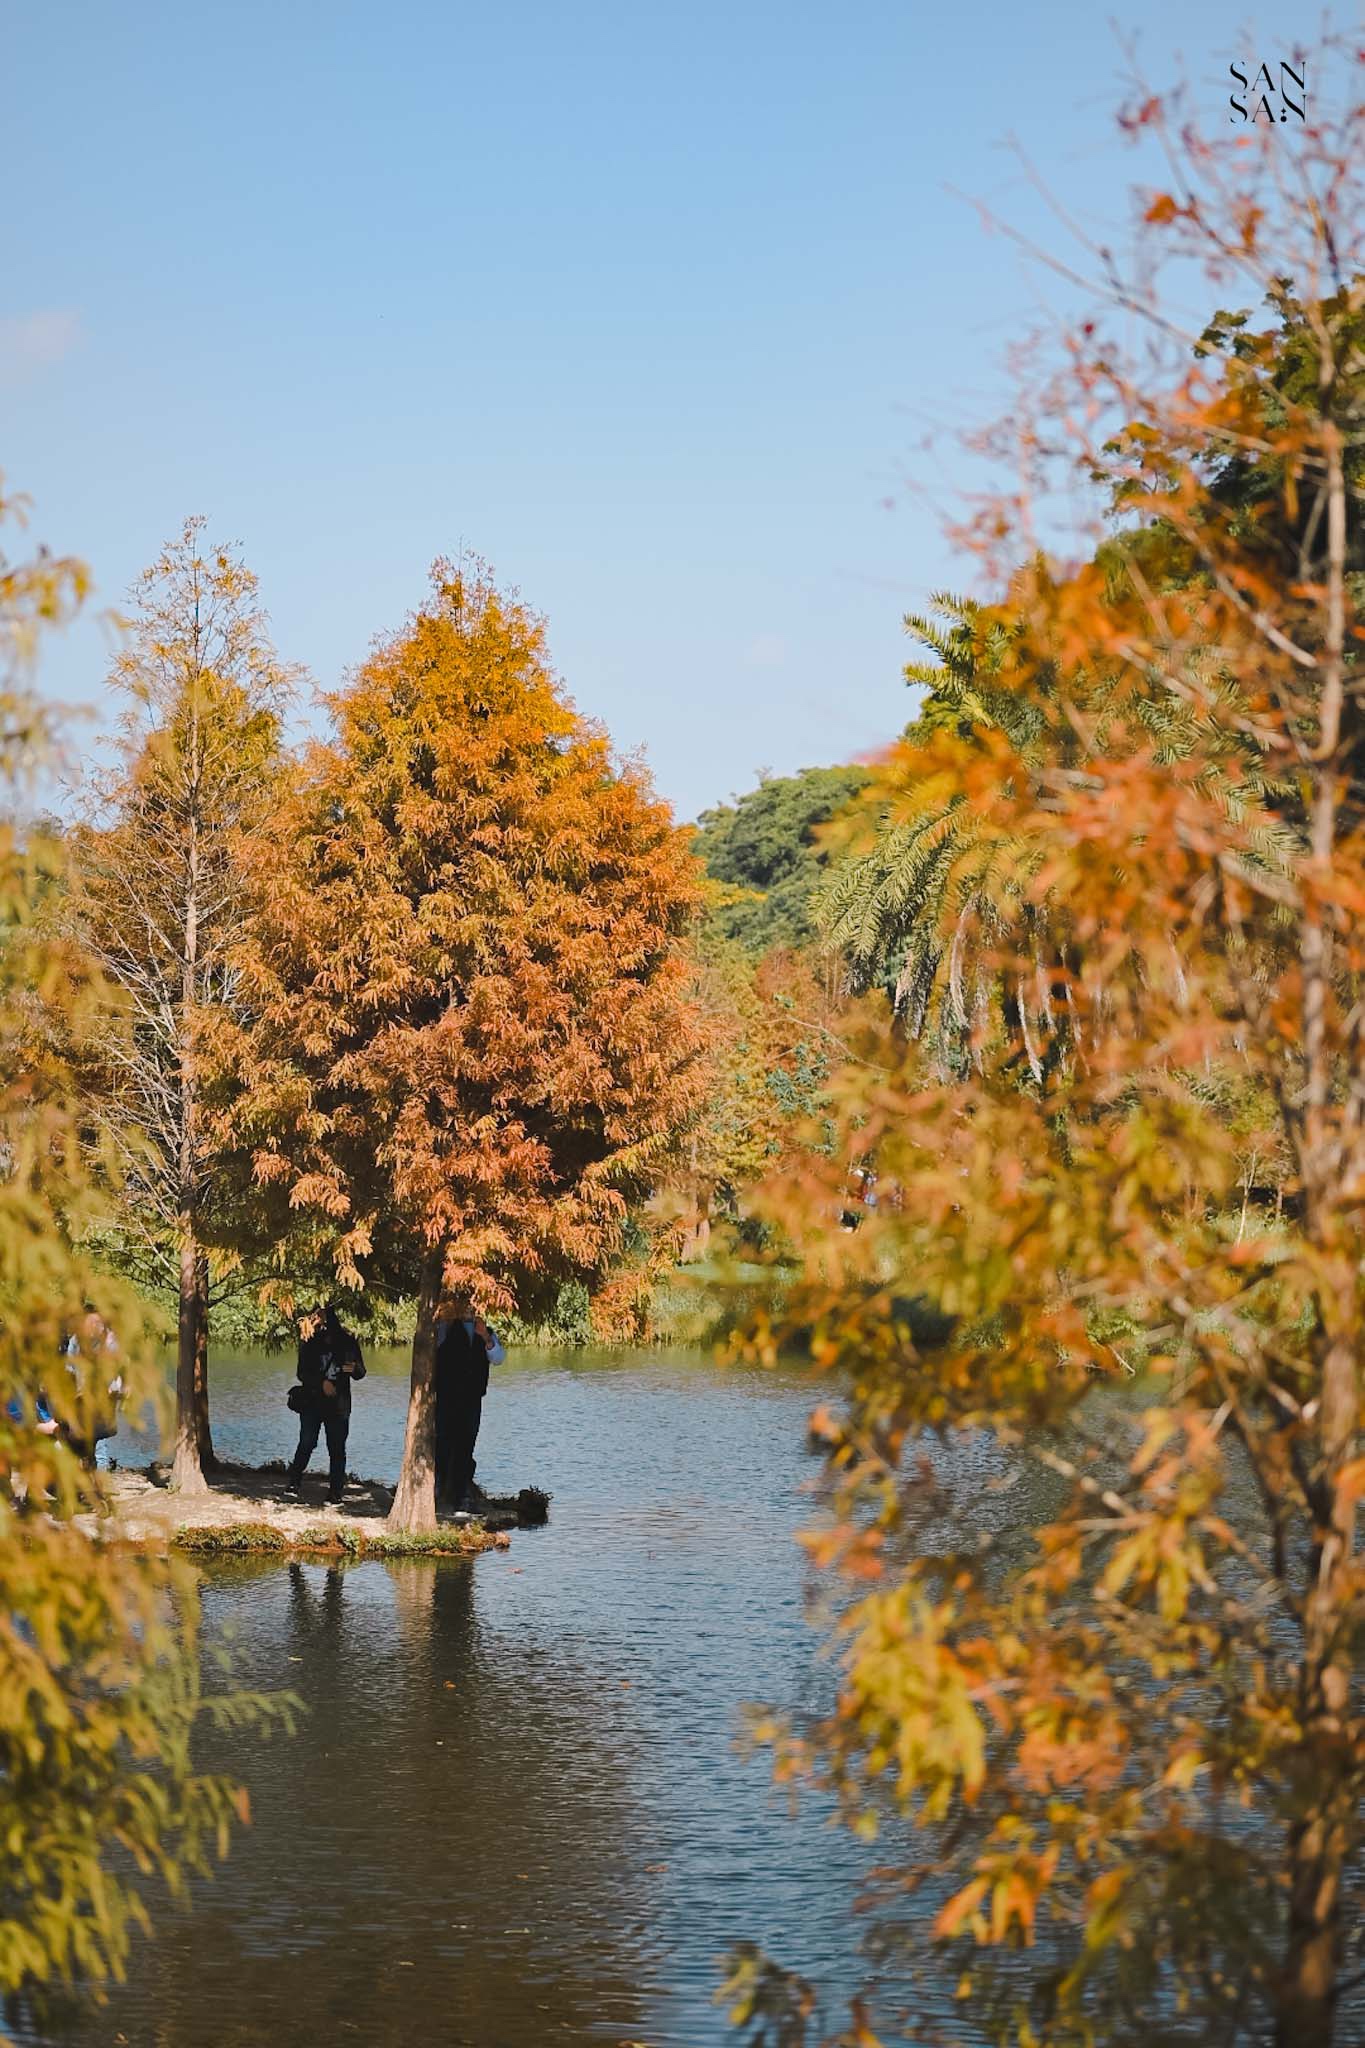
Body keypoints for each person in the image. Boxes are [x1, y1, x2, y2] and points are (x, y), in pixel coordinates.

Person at [287, 1304, 366, 1505]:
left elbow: (360, 1372)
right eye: (314, 1317)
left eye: (320, 1316)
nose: (317, 1320)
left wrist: (350, 1368)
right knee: (307, 1442)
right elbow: (301, 1373)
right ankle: (293, 1482)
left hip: (338, 1405)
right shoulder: (309, 1341)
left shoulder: (347, 1341)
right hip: (312, 1402)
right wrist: (321, 1383)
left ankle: (335, 1491)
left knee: (337, 1448)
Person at [433, 1305, 505, 1512]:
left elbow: (498, 1358)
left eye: (471, 1307)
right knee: (443, 1441)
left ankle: (461, 1493)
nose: (468, 1310)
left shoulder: (485, 1332)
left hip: (472, 1398)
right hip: (446, 1396)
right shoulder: (443, 1328)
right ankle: (438, 1487)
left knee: (466, 1444)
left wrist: (485, 1337)